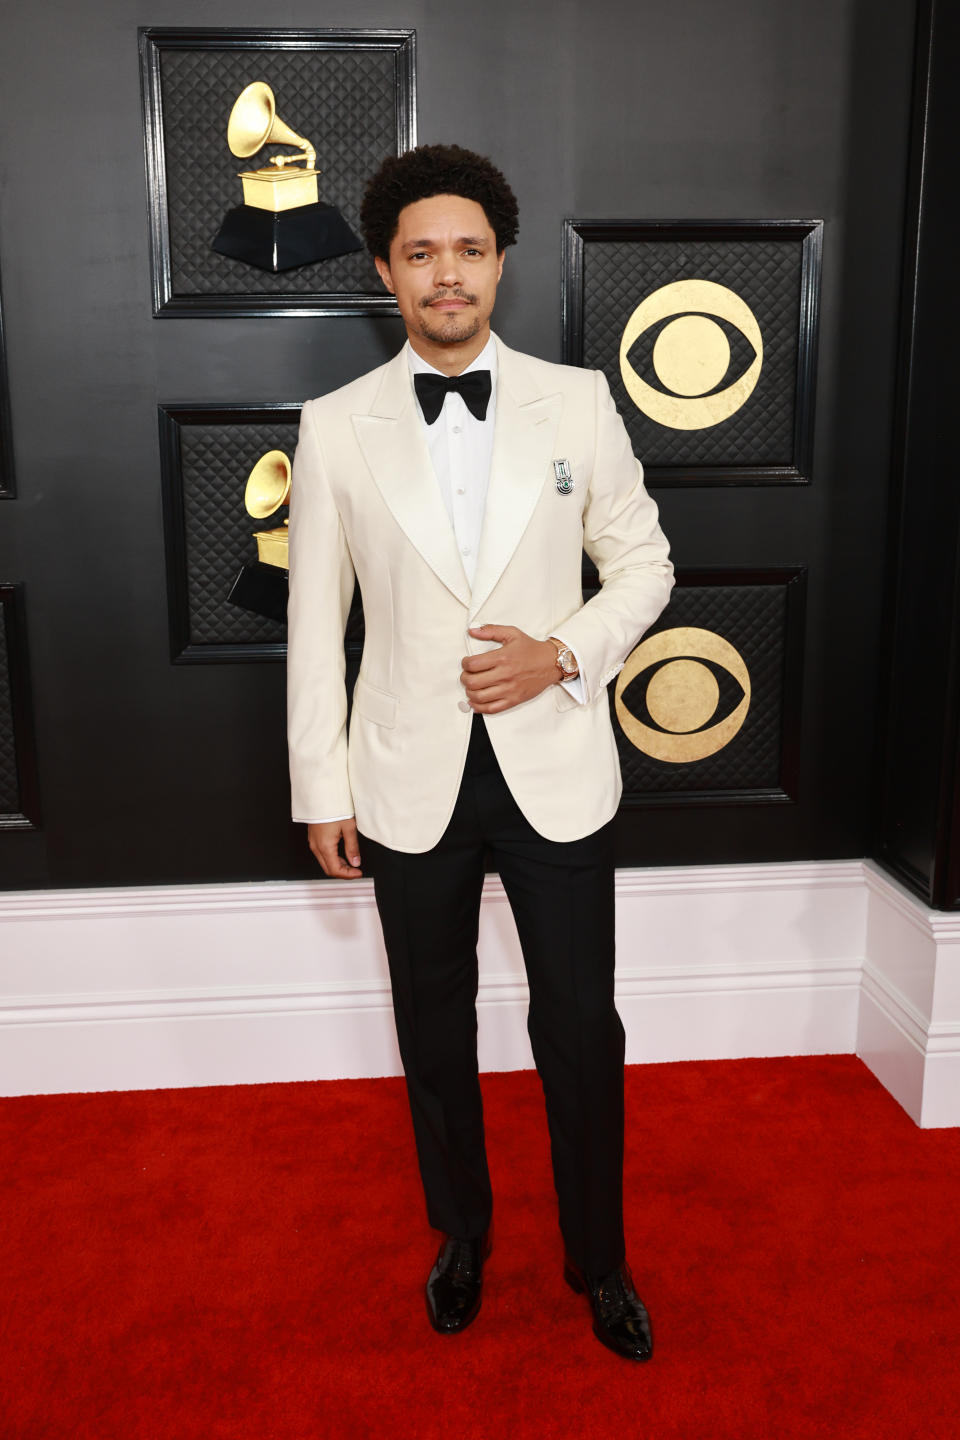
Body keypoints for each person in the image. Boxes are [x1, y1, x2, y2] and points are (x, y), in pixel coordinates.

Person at [286, 144, 673, 1362]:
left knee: (580, 1029)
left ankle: (598, 1263)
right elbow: (315, 628)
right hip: (406, 778)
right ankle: (462, 1240)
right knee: (433, 1026)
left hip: (557, 768)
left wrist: (560, 653)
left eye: (467, 249)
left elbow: (649, 566)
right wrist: (321, 787)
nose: (445, 273)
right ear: (387, 274)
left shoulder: (580, 399)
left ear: (500, 261)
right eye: (419, 254)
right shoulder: (336, 425)